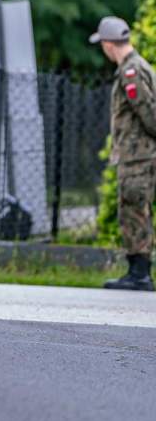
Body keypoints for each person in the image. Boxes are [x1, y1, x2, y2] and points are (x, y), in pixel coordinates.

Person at [90, 16, 156, 290]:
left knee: (134, 210)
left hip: (138, 155)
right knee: (134, 209)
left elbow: (149, 113)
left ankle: (140, 274)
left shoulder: (131, 71)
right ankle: (137, 271)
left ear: (108, 43)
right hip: (136, 154)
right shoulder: (136, 66)